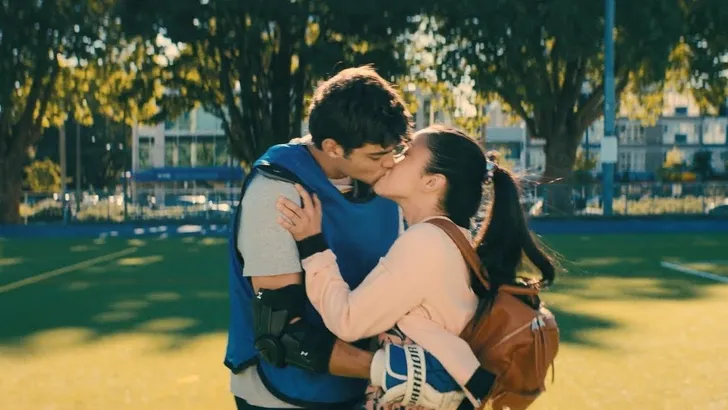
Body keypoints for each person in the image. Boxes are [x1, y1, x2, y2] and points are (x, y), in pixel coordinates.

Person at [225, 67, 462, 410]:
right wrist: (394, 371)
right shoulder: (277, 193)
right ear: (333, 147)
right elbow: (284, 336)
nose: (390, 163)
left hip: (359, 389)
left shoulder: (385, 185)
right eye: (377, 156)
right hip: (281, 396)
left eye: (394, 151)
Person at [276, 124, 556, 409]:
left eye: (406, 153)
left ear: (432, 182)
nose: (391, 160)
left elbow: (347, 321)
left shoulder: (426, 242)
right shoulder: (451, 240)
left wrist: (312, 244)